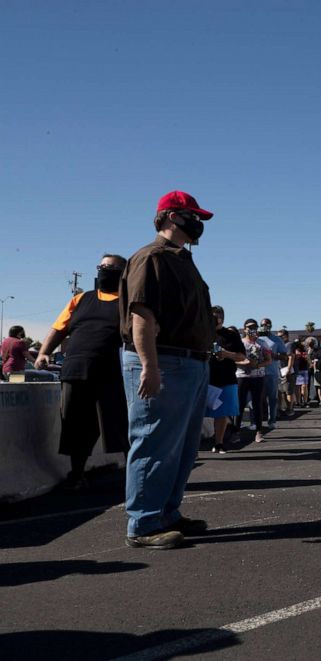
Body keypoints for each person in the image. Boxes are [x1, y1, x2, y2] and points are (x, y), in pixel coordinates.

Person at [119, 190, 215, 550]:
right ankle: (143, 524)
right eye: (194, 217)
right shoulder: (152, 257)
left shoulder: (179, 258)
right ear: (173, 217)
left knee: (182, 447)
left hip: (189, 362)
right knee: (154, 442)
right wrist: (149, 365)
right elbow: (141, 314)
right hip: (167, 360)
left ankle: (167, 514)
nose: (199, 224)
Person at [35, 255, 129, 489]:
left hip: (112, 372)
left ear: (123, 272)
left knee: (120, 424)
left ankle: (135, 478)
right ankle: (77, 475)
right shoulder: (80, 299)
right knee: (76, 426)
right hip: (75, 369)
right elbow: (58, 329)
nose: (105, 270)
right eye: (102, 267)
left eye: (111, 267)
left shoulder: (129, 302)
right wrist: (43, 353)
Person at [205, 306, 246, 454]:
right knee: (196, 414)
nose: (212, 320)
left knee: (222, 414)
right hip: (204, 380)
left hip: (226, 380)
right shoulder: (201, 332)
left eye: (215, 317)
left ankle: (219, 442)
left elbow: (242, 356)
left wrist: (226, 354)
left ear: (222, 318)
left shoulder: (231, 335)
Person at [236, 319, 271, 443]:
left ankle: (259, 432)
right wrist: (243, 363)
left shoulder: (262, 343)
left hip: (258, 376)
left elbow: (269, 360)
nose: (252, 329)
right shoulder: (239, 343)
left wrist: (258, 364)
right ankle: (236, 432)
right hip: (242, 376)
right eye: (249, 327)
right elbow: (234, 359)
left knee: (257, 404)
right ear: (244, 329)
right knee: (239, 404)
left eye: (254, 327)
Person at [257, 318, 289, 428]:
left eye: (266, 324)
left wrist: (273, 356)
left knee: (272, 398)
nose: (264, 326)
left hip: (271, 372)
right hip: (257, 372)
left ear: (270, 325)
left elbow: (285, 356)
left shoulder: (276, 339)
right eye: (262, 324)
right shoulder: (256, 338)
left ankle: (272, 421)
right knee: (257, 399)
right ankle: (257, 422)